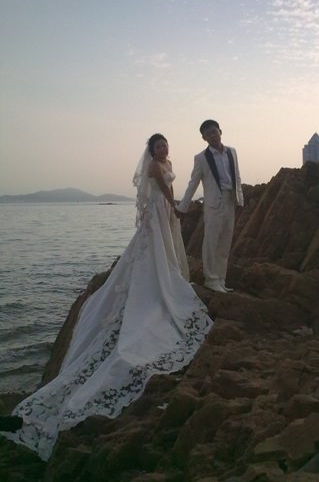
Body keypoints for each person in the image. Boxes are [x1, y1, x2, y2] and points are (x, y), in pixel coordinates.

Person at [0, 134, 212, 461]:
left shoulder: (167, 162)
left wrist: (174, 210)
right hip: (159, 210)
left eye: (165, 145)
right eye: (158, 146)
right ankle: (159, 284)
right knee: (153, 252)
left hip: (163, 211)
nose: (163, 149)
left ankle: (166, 276)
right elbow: (163, 191)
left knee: (163, 251)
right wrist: (175, 209)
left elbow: (168, 189)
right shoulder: (155, 167)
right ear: (151, 151)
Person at [177, 120, 243, 293]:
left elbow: (237, 176)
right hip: (214, 204)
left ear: (220, 131)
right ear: (204, 138)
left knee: (225, 242)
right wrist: (182, 207)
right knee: (211, 242)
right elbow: (193, 183)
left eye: (214, 132)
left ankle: (221, 279)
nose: (212, 136)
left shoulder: (232, 152)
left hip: (230, 200)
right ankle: (211, 279)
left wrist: (240, 199)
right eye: (208, 134)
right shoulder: (201, 158)